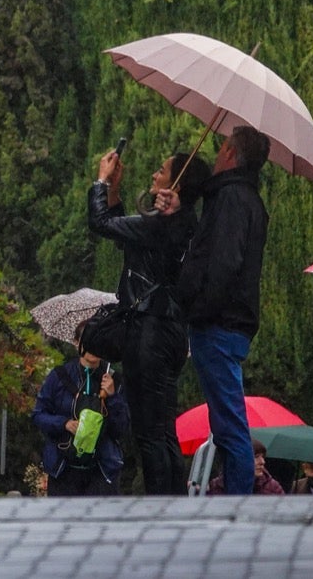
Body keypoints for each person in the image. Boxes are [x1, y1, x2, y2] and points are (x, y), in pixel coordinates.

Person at [89, 147, 210, 495]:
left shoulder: (165, 225)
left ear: (177, 186)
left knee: (150, 434)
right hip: (169, 333)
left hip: (150, 332)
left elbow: (100, 224)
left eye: (161, 171)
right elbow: (124, 234)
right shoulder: (183, 224)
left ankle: (162, 510)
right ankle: (172, 504)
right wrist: (114, 191)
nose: (154, 175)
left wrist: (99, 181)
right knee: (163, 431)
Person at [170, 125, 271, 495]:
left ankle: (238, 501)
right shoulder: (245, 200)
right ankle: (235, 493)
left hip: (219, 322)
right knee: (224, 417)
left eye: (221, 149)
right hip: (230, 322)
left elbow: (224, 263)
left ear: (230, 152)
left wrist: (197, 307)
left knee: (229, 424)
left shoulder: (231, 199)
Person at [32, 330, 131, 496]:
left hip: (102, 470)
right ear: (77, 343)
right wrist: (64, 424)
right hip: (63, 469)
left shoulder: (114, 380)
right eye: (87, 342)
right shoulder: (58, 377)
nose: (92, 348)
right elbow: (38, 415)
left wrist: (112, 397)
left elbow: (122, 429)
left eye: (97, 342)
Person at [206, 439, 285, 495]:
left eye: (263, 457)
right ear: (240, 459)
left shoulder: (273, 488)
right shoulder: (217, 486)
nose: (262, 462)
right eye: (256, 457)